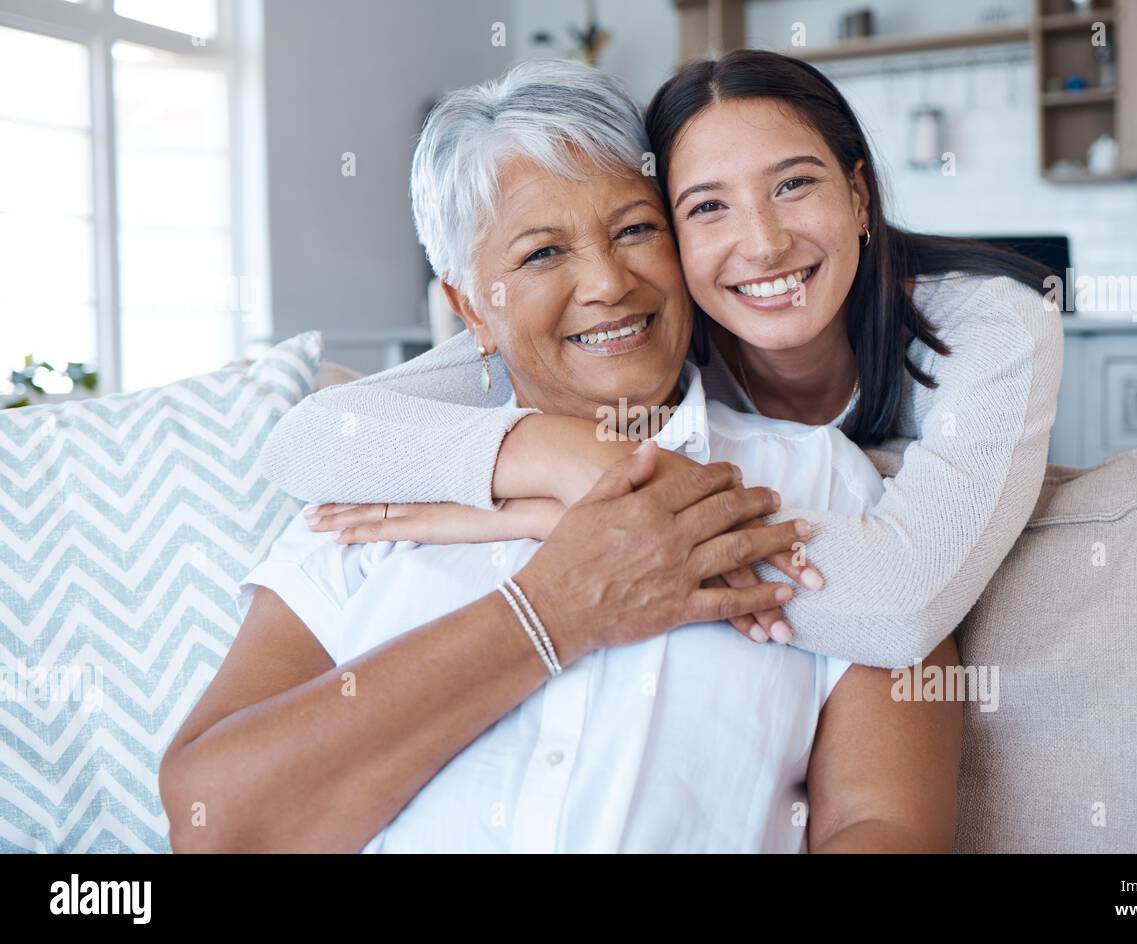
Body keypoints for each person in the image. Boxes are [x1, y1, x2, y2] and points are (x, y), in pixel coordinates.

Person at [159, 59, 962, 853]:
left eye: (635, 230)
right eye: (542, 253)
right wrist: (553, 611)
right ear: (470, 308)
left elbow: (885, 824)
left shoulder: (822, 484)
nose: (608, 283)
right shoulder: (373, 503)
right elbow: (216, 824)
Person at [258, 50, 1065, 667]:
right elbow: (313, 437)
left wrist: (577, 510)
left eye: (793, 185)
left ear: (859, 196)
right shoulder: (648, 332)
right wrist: (565, 453)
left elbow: (903, 603)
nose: (762, 243)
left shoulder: (987, 323)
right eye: (706, 207)